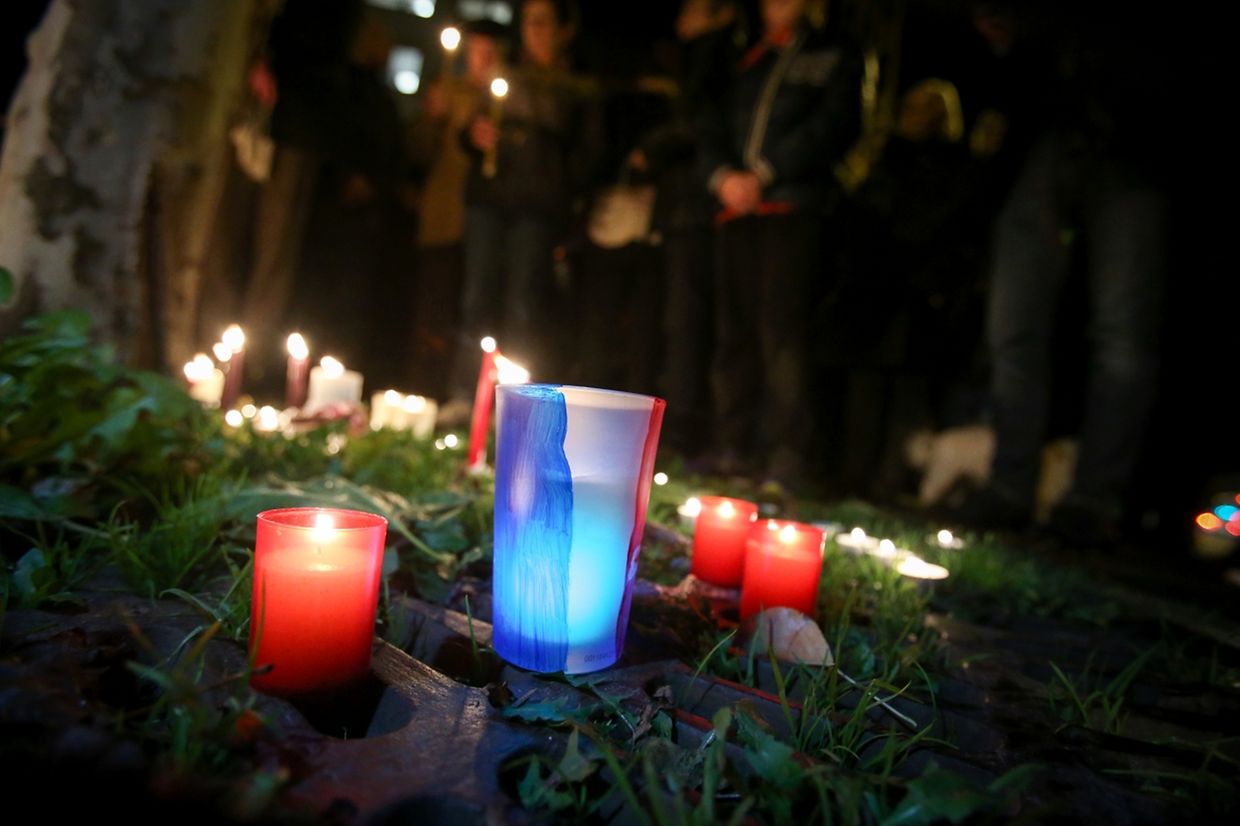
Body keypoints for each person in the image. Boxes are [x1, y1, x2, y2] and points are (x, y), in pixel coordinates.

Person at [955, 1, 1170, 548]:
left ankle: (1093, 501)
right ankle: (1009, 486)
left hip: (1142, 130)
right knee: (1013, 326)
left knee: (1123, 333)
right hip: (1047, 124)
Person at [696, 0, 862, 488]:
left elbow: (835, 124)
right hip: (734, 209)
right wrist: (722, 176)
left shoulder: (833, 54)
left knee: (782, 332)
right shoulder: (740, 55)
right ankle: (732, 445)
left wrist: (767, 173)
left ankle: (787, 453)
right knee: (734, 330)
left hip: (792, 208)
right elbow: (705, 117)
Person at [440, 0, 599, 424]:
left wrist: (561, 182)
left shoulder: (576, 87)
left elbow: (589, 154)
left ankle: (512, 406)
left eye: (543, 22)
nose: (534, 32)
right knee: (477, 298)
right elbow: (468, 129)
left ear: (564, 29)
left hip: (539, 208)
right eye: (528, 23)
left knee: (523, 304)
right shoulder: (503, 75)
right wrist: (474, 135)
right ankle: (465, 395)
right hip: (490, 200)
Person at [407, 19, 507, 401]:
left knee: (474, 310)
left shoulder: (505, 101)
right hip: (443, 218)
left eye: (490, 52)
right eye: (477, 51)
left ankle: (463, 396)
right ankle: (422, 392)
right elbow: (417, 152)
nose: (483, 59)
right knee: (434, 310)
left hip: (487, 222)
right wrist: (432, 119)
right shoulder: (447, 92)